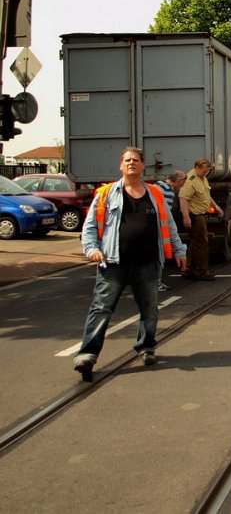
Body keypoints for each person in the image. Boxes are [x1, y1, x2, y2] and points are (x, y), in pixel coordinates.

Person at [73, 147, 187, 381]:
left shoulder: (154, 194)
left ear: (143, 166)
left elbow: (169, 225)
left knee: (149, 309)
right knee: (101, 309)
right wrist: (91, 249)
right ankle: (87, 355)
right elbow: (90, 226)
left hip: (147, 263)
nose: (132, 163)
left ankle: (146, 347)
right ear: (121, 166)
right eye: (127, 160)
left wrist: (179, 249)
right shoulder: (106, 194)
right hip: (113, 263)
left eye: (136, 160)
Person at [179, 158, 224, 281]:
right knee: (201, 243)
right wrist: (186, 217)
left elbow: (206, 195)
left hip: (200, 214)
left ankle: (188, 269)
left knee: (195, 242)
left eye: (207, 172)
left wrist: (215, 206)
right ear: (197, 168)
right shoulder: (190, 180)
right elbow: (183, 198)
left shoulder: (202, 178)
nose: (206, 174)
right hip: (195, 216)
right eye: (204, 171)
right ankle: (202, 271)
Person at [154, 169, 186, 291]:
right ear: (179, 181)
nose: (183, 185)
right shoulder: (168, 191)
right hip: (158, 228)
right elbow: (165, 215)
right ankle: (157, 283)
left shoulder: (158, 184)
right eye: (183, 182)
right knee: (158, 255)